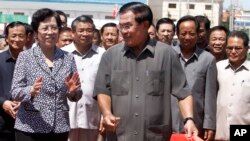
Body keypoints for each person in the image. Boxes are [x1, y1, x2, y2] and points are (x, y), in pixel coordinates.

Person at [94, 2, 198, 141]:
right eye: (121, 26)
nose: (123, 31)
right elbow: (103, 91)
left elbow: (183, 93)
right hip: (120, 135)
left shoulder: (167, 54)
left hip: (155, 135)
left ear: (145, 25)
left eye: (128, 26)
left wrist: (189, 119)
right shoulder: (110, 55)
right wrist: (106, 114)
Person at [10, 8, 82, 141]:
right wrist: (30, 90)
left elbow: (77, 94)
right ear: (36, 32)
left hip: (59, 127)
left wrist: (72, 92)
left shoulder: (68, 58)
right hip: (29, 127)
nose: (50, 32)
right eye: (45, 28)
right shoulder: (25, 57)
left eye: (54, 28)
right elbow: (15, 92)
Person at [172, 15, 217, 141]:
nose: (187, 37)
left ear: (198, 34)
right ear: (177, 33)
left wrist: (209, 124)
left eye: (191, 33)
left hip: (196, 125)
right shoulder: (168, 55)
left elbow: (210, 96)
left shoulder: (208, 59)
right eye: (183, 33)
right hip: (167, 123)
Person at [62, 15, 105, 141]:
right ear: (73, 32)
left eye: (89, 30)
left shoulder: (103, 55)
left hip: (93, 116)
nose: (85, 34)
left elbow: (109, 87)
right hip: (66, 117)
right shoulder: (61, 54)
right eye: (81, 30)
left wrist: (105, 115)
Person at [215, 31, 250, 141]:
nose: (233, 52)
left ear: (247, 48)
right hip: (219, 133)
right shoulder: (218, 68)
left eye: (238, 48)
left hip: (242, 132)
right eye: (229, 48)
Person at [0, 21, 27, 141]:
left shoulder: (35, 62)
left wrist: (25, 101)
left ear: (27, 38)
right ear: (6, 38)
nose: (17, 39)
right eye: (13, 36)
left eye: (21, 36)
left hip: (28, 122)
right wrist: (2, 102)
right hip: (2, 122)